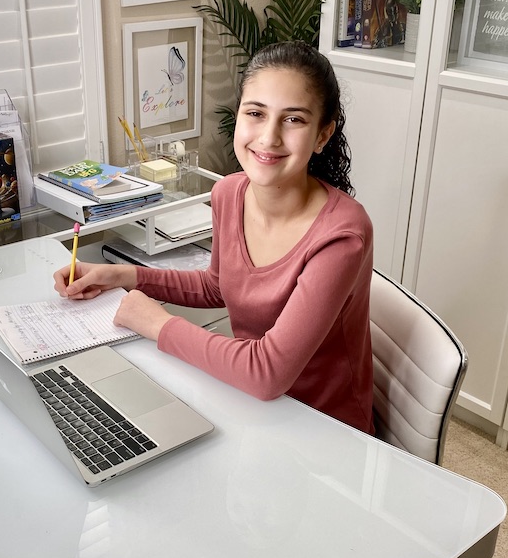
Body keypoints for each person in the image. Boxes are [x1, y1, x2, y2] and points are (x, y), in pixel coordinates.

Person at [53, 41, 374, 433]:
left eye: (293, 120)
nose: (269, 137)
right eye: (255, 113)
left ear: (323, 135)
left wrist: (156, 323)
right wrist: (118, 276)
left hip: (325, 432)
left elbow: (267, 372)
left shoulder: (341, 236)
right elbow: (217, 287)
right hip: (248, 405)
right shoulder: (229, 193)